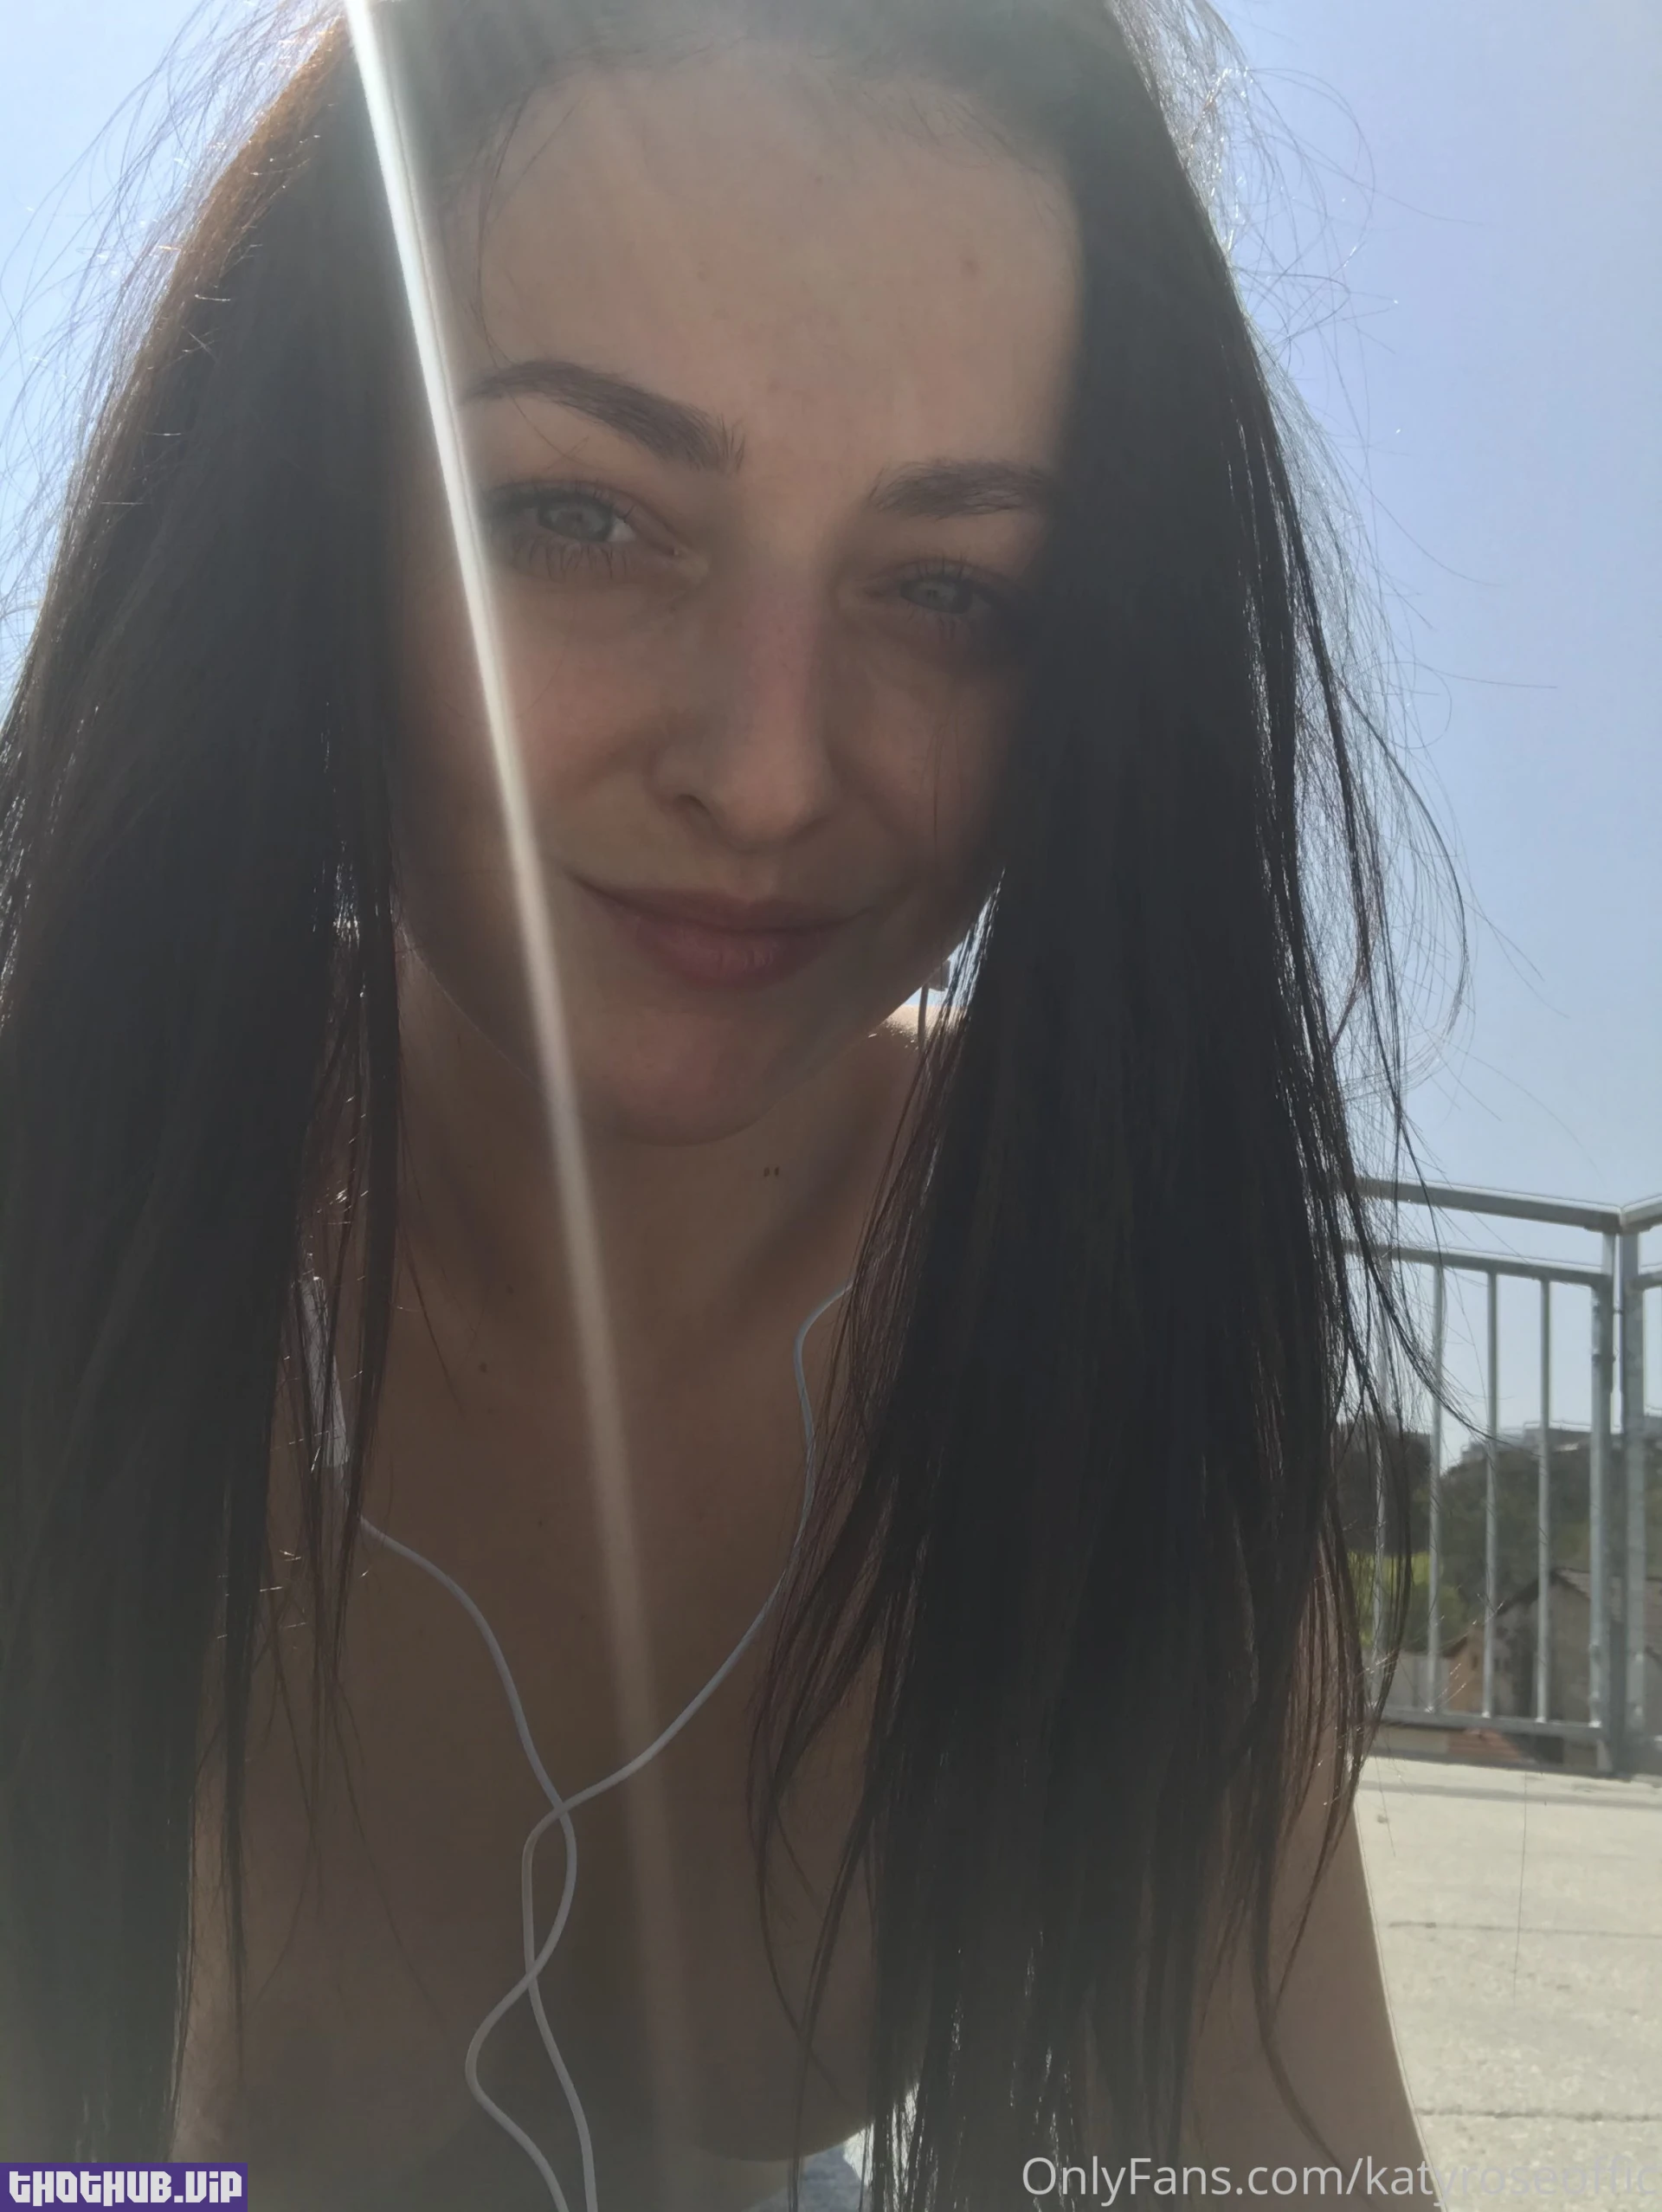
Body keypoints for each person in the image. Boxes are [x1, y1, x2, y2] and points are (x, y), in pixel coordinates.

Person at [0, 0, 1439, 2205]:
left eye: (953, 589)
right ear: (309, 515)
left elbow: (1269, 2162)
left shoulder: (1093, 1284)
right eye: (582, 513)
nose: (768, 772)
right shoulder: (68, 1198)